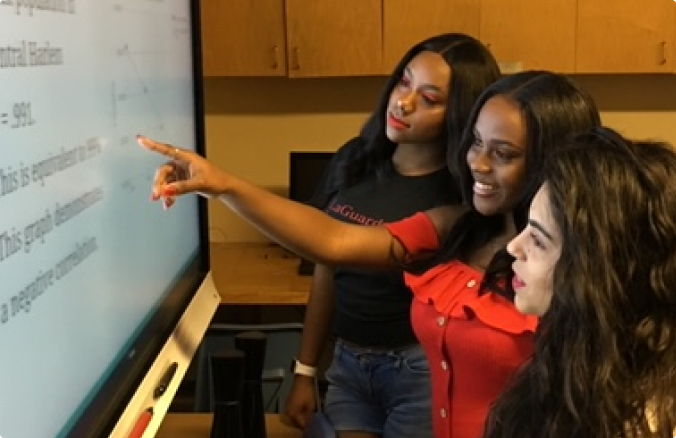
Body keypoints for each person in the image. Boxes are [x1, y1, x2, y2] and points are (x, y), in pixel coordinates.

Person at [136, 70, 601, 438]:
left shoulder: (577, 265)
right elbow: (332, 242)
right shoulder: (456, 226)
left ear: (551, 159)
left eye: (503, 153)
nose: (477, 164)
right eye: (476, 143)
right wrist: (222, 184)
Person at [283, 33, 500, 438]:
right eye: (404, 82)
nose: (404, 103)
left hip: (418, 370)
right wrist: (305, 370)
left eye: (430, 99)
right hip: (348, 365)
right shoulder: (355, 159)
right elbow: (327, 266)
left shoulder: (460, 196)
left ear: (461, 114)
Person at [482, 127, 676, 438]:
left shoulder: (644, 421)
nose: (513, 248)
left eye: (539, 241)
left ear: (594, 270)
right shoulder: (580, 362)